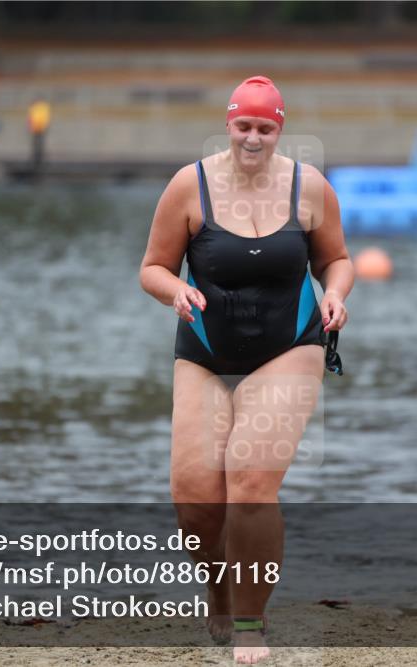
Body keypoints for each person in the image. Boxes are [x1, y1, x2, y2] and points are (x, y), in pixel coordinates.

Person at [139, 75, 354, 664]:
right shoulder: (190, 185)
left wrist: (336, 293)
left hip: (289, 347)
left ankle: (252, 624)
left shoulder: (309, 188)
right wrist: (174, 292)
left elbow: (336, 258)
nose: (253, 138)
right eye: (243, 126)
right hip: (206, 351)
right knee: (195, 495)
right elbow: (152, 267)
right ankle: (218, 594)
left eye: (265, 128)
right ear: (228, 125)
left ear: (279, 130)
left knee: (252, 478)